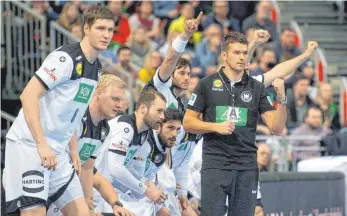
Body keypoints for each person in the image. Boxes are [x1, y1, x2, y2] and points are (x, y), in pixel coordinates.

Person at [3, 5, 114, 216]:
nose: (106, 35)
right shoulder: (66, 58)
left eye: (110, 30)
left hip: (59, 151)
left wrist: (73, 151)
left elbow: (73, 112)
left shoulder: (97, 68)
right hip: (30, 146)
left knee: (83, 213)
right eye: (100, 28)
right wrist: (41, 144)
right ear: (86, 29)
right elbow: (28, 95)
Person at [183, 32, 287, 216]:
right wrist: (215, 126)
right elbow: (188, 122)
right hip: (215, 164)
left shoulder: (257, 88)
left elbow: (276, 128)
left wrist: (282, 99)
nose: (241, 57)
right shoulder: (206, 84)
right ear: (224, 55)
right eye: (236, 52)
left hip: (246, 166)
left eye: (245, 53)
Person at [47, 74, 133, 216]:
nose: (120, 105)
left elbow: (87, 168)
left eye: (121, 100)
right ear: (98, 92)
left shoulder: (104, 129)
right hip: (43, 178)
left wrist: (89, 206)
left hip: (62, 186)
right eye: (115, 99)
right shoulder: (76, 113)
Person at [92, 90, 167, 215]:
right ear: (143, 108)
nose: (162, 117)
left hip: (108, 190)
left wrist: (146, 182)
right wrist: (145, 190)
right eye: (159, 111)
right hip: (93, 187)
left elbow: (128, 166)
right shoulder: (125, 128)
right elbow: (115, 168)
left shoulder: (144, 133)